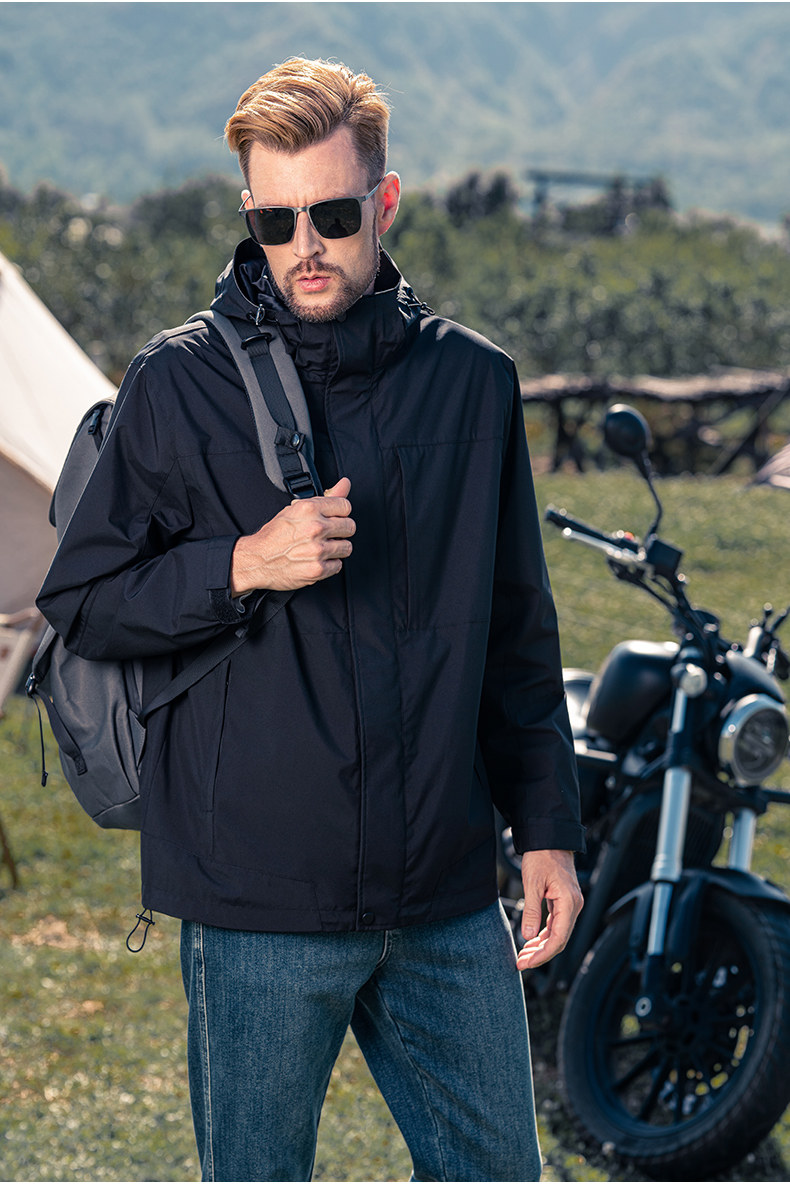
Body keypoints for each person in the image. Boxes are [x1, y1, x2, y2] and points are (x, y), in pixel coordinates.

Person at [37, 57, 585, 1183]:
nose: (305, 247)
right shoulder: (176, 384)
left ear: (385, 203)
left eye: (333, 215)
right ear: (249, 212)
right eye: (275, 220)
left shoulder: (474, 384)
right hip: (255, 903)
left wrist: (548, 830)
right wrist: (243, 563)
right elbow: (81, 602)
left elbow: (516, 633)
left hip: (444, 897)